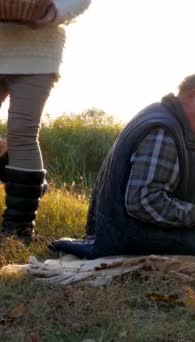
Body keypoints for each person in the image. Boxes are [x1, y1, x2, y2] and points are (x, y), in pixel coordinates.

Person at [51, 71, 195, 260]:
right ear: (193, 96)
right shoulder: (163, 132)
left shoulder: (162, 117)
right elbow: (141, 200)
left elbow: (156, 189)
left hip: (130, 234)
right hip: (135, 240)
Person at [0, 0, 91, 244]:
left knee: (22, 135)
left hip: (37, 51)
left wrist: (56, 10)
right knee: (17, 144)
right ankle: (27, 181)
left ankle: (17, 232)